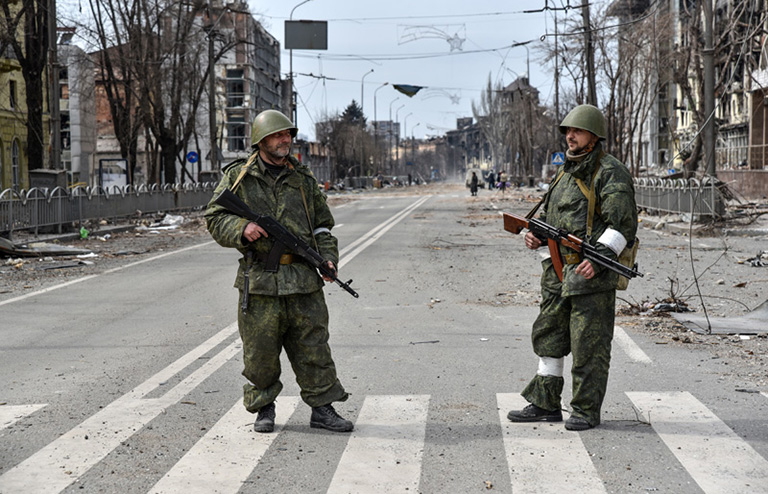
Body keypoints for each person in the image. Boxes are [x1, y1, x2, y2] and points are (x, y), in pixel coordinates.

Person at [205, 109, 353, 434]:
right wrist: (242, 228)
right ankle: (264, 408)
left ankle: (322, 409)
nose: (285, 140)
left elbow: (323, 227)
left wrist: (328, 260)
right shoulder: (239, 177)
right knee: (260, 353)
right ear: (261, 140)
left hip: (302, 281)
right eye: (278, 135)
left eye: (288, 134)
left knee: (314, 348)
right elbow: (214, 217)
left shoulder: (303, 179)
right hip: (260, 282)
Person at [506, 104, 637, 431]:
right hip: (556, 271)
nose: (570, 136)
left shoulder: (610, 172)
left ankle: (585, 410)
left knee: (588, 344)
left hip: (588, 274)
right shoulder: (564, 171)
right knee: (548, 335)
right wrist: (535, 235)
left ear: (594, 135)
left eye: (577, 131)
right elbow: (551, 216)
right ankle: (545, 402)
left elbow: (623, 224)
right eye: (567, 131)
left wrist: (598, 259)